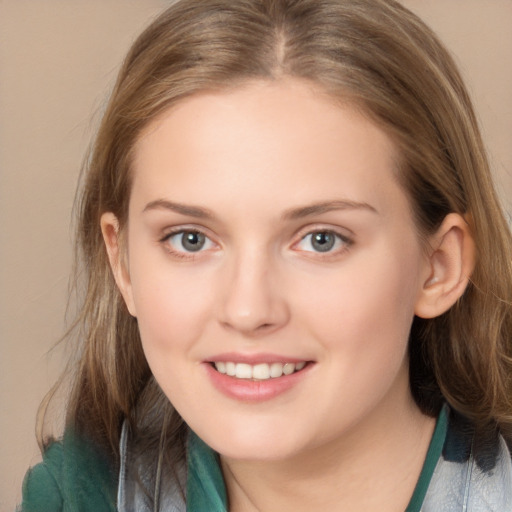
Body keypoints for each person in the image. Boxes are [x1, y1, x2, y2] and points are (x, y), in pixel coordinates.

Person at [19, 0, 512, 510]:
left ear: (439, 267)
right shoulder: (73, 498)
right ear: (122, 265)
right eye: (190, 239)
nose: (248, 310)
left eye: (322, 239)